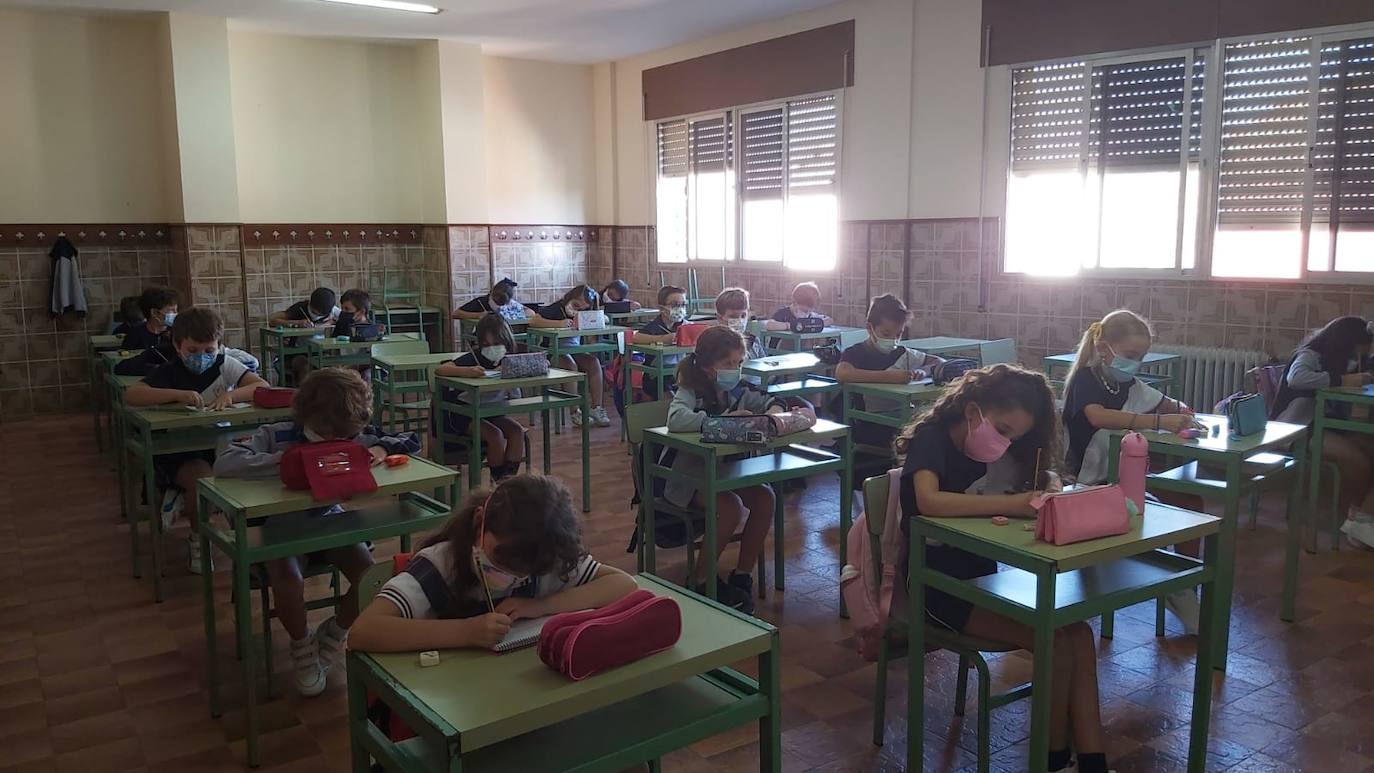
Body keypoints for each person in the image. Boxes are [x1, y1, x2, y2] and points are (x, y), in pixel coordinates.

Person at [896, 364, 1112, 773]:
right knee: (1055, 642)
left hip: (985, 581)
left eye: (1014, 435)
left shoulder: (999, 451)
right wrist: (1009, 505)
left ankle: (1092, 760)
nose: (1005, 440)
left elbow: (1031, 484)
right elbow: (929, 501)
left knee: (1078, 634)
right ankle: (1049, 759)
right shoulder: (934, 438)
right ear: (973, 410)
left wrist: (1046, 485)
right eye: (1002, 428)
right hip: (936, 588)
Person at [214, 368, 420, 696]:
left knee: (372, 576)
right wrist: (291, 462)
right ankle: (302, 646)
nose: (343, 441)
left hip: (328, 519)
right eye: (333, 435)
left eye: (350, 436)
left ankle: (335, 632)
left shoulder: (350, 434)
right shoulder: (277, 434)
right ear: (311, 417)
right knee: (288, 580)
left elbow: (408, 442)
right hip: (279, 526)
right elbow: (226, 463)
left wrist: (378, 451)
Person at [348, 474, 636, 652]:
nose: (510, 578)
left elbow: (624, 584)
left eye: (525, 575)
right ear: (479, 522)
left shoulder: (546, 555)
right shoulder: (441, 564)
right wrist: (466, 632)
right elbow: (364, 631)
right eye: (500, 559)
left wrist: (541, 606)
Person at [1063, 309, 1204, 632]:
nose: (1135, 363)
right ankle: (1174, 584)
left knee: (1190, 503)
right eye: (1129, 355)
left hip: (1124, 481)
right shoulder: (1087, 379)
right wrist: (1156, 422)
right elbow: (1098, 417)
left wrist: (1182, 412)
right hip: (1085, 486)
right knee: (1140, 521)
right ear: (1104, 349)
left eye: (1140, 356)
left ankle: (1184, 580)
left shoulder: (1127, 384)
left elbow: (1167, 404)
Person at [122, 307, 267, 574]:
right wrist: (177, 394)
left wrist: (232, 396)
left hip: (220, 443)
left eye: (209, 350)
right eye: (193, 351)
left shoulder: (225, 364)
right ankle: (198, 537)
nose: (202, 357)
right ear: (178, 346)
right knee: (202, 482)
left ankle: (248, 539)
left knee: (248, 473)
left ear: (218, 346)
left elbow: (262, 387)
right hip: (177, 450)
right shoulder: (169, 371)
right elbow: (132, 395)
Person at [665, 326, 785, 613]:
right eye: (728, 364)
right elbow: (677, 419)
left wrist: (771, 417)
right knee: (729, 506)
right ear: (708, 366)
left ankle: (742, 575)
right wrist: (721, 421)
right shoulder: (691, 389)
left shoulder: (740, 389)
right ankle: (701, 580)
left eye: (739, 363)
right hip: (688, 477)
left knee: (766, 497)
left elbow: (773, 401)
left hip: (725, 471)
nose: (735, 369)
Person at [1271, 316, 1374, 548]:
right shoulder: (1311, 355)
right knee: (1357, 462)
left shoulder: (1341, 361)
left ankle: (1361, 519)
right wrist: (1341, 379)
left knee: (1370, 447)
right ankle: (1354, 518)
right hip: (1296, 428)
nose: (1354, 361)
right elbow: (1296, 378)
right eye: (1353, 354)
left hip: (1324, 425)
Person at [834, 294, 945, 452]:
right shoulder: (856, 352)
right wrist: (889, 377)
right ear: (869, 328)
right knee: (923, 436)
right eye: (886, 334)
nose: (893, 339)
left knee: (937, 430)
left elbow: (939, 362)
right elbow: (842, 374)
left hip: (902, 416)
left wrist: (923, 370)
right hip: (869, 423)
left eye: (898, 334)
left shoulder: (903, 353)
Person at [434, 314, 527, 482]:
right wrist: (467, 371)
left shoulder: (511, 357)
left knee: (516, 431)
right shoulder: (475, 357)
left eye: (497, 343)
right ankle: (498, 482)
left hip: (490, 410)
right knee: (495, 435)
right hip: (461, 413)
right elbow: (441, 370)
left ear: (506, 340)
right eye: (486, 344)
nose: (492, 348)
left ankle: (508, 481)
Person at [537, 284, 611, 427]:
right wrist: (559, 323)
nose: (578, 310)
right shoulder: (556, 308)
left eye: (583, 308)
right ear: (570, 298)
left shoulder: (586, 311)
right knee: (570, 365)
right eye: (576, 305)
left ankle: (596, 408)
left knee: (593, 362)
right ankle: (575, 412)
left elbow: (599, 323)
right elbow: (534, 320)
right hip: (553, 351)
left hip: (574, 350)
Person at [631, 285, 688, 399]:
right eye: (675, 305)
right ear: (662, 308)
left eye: (683, 304)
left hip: (681, 373)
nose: (680, 308)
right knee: (671, 398)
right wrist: (663, 339)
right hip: (656, 376)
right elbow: (636, 337)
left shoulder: (685, 325)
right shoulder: (655, 326)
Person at [453, 278, 543, 324]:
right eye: (497, 302)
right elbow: (455, 314)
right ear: (492, 293)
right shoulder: (481, 302)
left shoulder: (511, 304)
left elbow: (531, 313)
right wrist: (478, 315)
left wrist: (514, 314)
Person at [121, 285, 179, 351]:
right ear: (154, 312)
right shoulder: (135, 334)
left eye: (176, 310)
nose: (176, 313)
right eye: (171, 310)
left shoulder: (177, 332)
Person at [764, 281, 832, 331]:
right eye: (804, 311)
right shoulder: (784, 313)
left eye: (809, 311)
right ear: (794, 303)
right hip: (779, 349)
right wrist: (790, 325)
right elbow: (769, 325)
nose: (806, 314)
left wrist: (818, 323)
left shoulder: (810, 316)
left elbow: (829, 320)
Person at [270, 287, 338, 328]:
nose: (317, 316)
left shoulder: (331, 308)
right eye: (314, 313)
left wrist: (328, 323)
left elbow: (345, 320)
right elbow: (273, 321)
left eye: (321, 315)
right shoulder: (300, 308)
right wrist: (297, 323)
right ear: (310, 303)